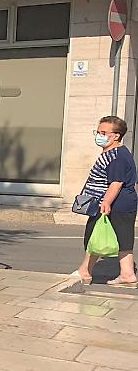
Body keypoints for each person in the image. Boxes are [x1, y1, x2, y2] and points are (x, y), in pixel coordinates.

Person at [74, 115, 138, 287]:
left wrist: (107, 202)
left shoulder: (117, 156)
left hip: (115, 203)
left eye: (104, 132)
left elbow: (116, 183)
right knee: (121, 237)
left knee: (96, 235)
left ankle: (86, 272)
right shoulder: (115, 153)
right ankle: (125, 274)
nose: (99, 136)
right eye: (98, 131)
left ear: (116, 135)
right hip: (119, 203)